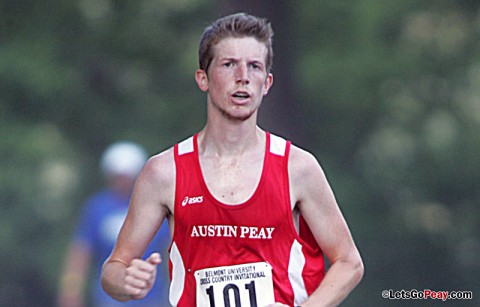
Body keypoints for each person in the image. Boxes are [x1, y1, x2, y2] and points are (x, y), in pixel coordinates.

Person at [101, 12, 364, 307]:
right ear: (203, 79)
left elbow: (349, 262)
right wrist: (123, 282)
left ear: (266, 83)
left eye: (254, 66)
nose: (243, 77)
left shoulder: (297, 168)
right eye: (229, 65)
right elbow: (114, 268)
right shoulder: (164, 172)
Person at [58, 142, 170, 307]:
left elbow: (170, 250)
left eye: (127, 176)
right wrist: (70, 291)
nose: (122, 181)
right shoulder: (97, 208)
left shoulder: (152, 206)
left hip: (151, 297)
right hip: (109, 298)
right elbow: (81, 253)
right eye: (118, 176)